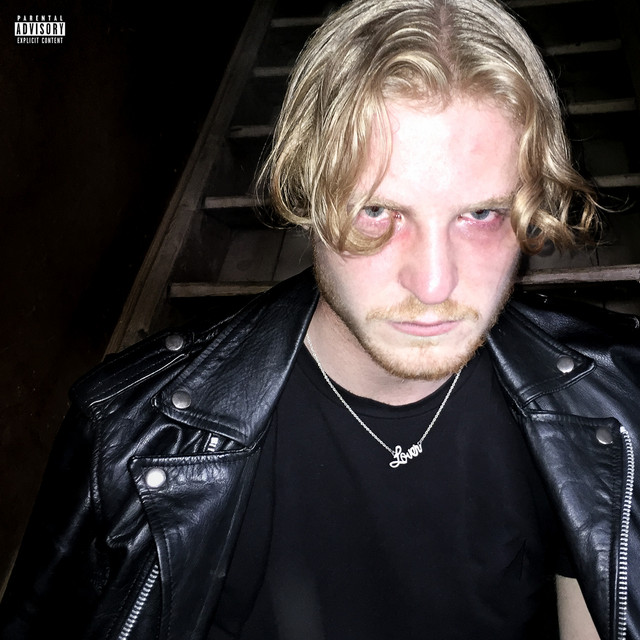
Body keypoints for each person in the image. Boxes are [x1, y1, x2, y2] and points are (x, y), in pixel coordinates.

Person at [0, 0, 638, 638]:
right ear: (307, 191)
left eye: (480, 215)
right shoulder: (127, 436)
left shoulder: (614, 409)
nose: (434, 284)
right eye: (376, 211)